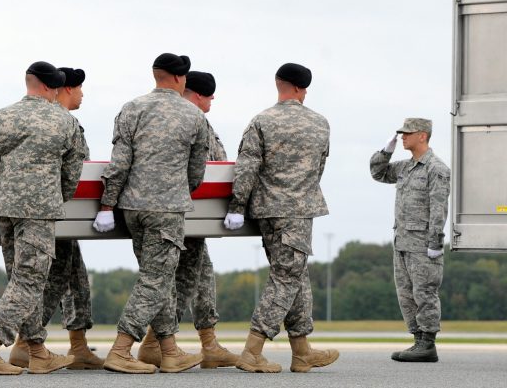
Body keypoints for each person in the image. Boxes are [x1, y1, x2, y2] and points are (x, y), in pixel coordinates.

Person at [0, 61, 85, 375]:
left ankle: (37, 351)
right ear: (52, 87)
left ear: (29, 84)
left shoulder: (1, 117)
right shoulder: (66, 122)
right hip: (39, 211)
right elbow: (72, 173)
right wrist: (59, 197)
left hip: (5, 210)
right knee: (28, 282)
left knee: (21, 282)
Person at [93, 53, 209, 374]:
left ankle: (169, 351)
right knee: (156, 279)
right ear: (178, 79)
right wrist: (176, 189)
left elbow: (118, 165)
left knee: (158, 278)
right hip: (167, 208)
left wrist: (107, 204)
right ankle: (120, 349)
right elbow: (196, 173)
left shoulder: (131, 108)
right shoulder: (194, 116)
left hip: (131, 208)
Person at [224, 63, 339, 373]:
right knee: (287, 278)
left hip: (265, 211)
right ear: (303, 89)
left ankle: (302, 351)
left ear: (279, 84)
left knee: (295, 277)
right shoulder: (319, 123)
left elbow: (247, 168)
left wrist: (237, 207)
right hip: (299, 210)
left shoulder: (261, 120)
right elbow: (319, 167)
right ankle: (253, 349)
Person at [136, 70, 238, 369]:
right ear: (197, 95)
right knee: (181, 279)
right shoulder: (194, 121)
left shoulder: (151, 115)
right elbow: (217, 161)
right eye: (209, 97)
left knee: (201, 275)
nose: (211, 102)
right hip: (184, 212)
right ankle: (156, 343)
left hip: (157, 210)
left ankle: (208, 342)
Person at [6, 67, 103, 371]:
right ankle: (26, 343)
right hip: (48, 211)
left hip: (49, 210)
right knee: (53, 278)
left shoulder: (37, 118)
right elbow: (75, 168)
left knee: (76, 277)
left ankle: (78, 345)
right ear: (63, 90)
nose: (82, 93)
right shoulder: (61, 122)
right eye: (78, 87)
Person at [369, 118, 450, 363]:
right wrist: (386, 151)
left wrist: (435, 243)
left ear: (422, 136)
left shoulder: (436, 168)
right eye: (401, 134)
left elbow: (439, 208)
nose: (403, 137)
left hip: (423, 244)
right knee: (406, 294)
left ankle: (428, 344)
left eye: (407, 134)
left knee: (424, 292)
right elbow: (378, 173)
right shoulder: (406, 167)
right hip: (402, 242)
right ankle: (418, 341)